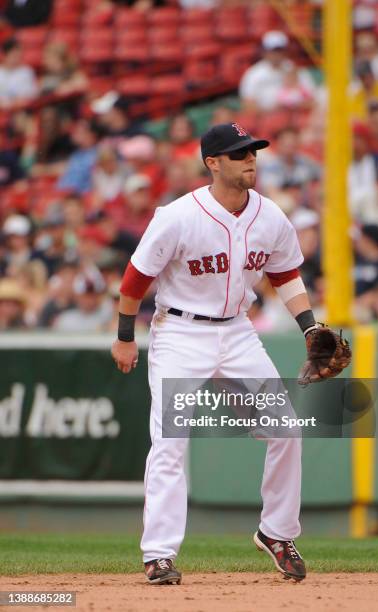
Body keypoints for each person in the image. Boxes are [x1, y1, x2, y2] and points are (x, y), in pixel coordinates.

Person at [111, 122, 321, 585]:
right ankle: (159, 553)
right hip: (181, 333)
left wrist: (311, 327)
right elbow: (134, 282)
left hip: (238, 333)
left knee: (286, 429)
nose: (251, 159)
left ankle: (277, 533)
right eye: (240, 153)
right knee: (170, 442)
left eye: (253, 152)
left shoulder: (270, 216)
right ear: (213, 162)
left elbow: (285, 276)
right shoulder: (177, 216)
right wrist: (126, 336)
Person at [239, 31, 314, 113]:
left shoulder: (296, 70)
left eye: (279, 50)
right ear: (265, 51)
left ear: (285, 51)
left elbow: (311, 100)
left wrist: (291, 104)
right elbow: (248, 105)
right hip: (265, 119)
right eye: (273, 50)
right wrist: (272, 111)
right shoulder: (254, 73)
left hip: (295, 115)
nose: (276, 54)